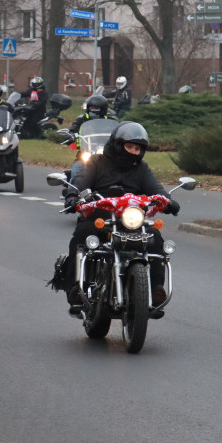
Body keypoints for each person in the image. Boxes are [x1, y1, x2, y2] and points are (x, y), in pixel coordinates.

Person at [56, 122, 180, 316]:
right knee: (82, 234)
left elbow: (156, 188)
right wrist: (73, 194)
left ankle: (156, 289)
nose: (132, 151)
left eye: (137, 148)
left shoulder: (141, 168)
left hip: (131, 221)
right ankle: (75, 289)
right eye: (129, 146)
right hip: (100, 217)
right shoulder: (97, 162)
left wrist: (169, 201)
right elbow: (81, 179)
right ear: (117, 144)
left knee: (155, 237)